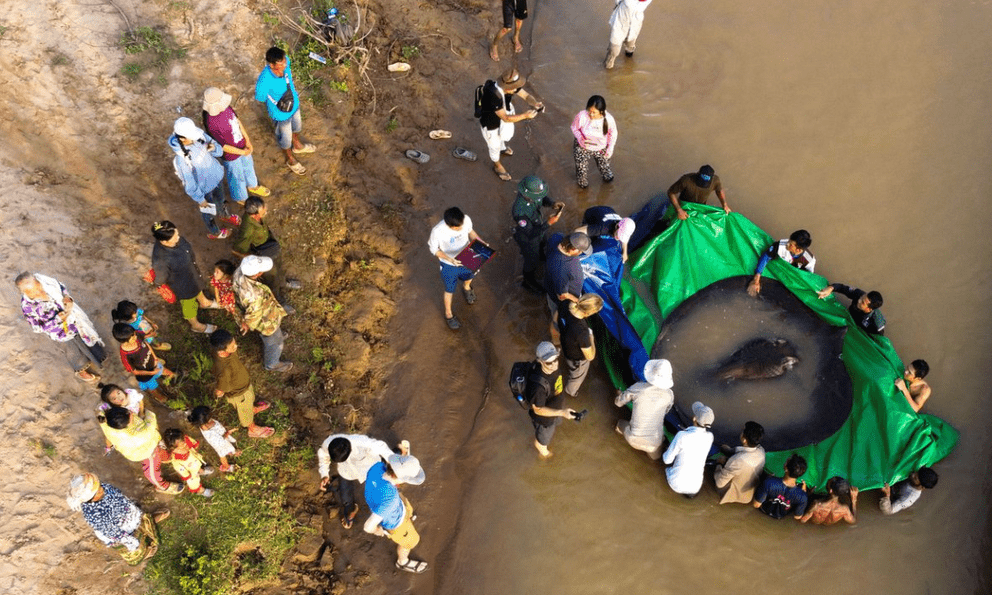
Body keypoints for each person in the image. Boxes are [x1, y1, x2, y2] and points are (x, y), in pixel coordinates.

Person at [15, 271, 107, 382]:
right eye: (33, 292)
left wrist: (67, 297)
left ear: (36, 280)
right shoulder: (27, 306)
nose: (39, 292)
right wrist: (57, 320)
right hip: (61, 333)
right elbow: (37, 328)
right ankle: (81, 372)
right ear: (25, 292)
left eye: (38, 287)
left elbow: (61, 286)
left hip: (75, 321)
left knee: (88, 340)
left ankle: (97, 357)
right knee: (74, 353)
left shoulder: (44, 280)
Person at [66, 473, 170, 565]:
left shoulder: (103, 488)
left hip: (126, 513)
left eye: (99, 485)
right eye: (98, 490)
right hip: (121, 528)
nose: (101, 488)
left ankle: (147, 523)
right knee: (136, 544)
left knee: (140, 521)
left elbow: (118, 495)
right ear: (90, 498)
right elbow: (113, 533)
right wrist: (130, 542)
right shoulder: (96, 515)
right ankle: (145, 552)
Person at [169, 117, 240, 240]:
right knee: (208, 212)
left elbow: (219, 151)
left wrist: (214, 148)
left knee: (221, 200)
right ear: (182, 138)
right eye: (191, 136)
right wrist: (201, 200)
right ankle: (215, 232)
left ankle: (224, 215)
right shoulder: (181, 160)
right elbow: (189, 183)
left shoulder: (199, 136)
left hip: (216, 178)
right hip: (204, 190)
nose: (195, 138)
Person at [317, 434, 410, 529]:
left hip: (371, 468)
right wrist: (324, 474)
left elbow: (380, 447)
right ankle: (351, 509)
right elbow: (323, 454)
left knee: (386, 473)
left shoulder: (361, 442)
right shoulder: (328, 444)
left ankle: (399, 452)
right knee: (345, 495)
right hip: (347, 472)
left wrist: (394, 466)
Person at [201, 86, 270, 204]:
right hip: (230, 155)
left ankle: (253, 186)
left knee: (248, 167)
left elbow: (237, 122)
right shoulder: (212, 123)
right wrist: (242, 152)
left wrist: (247, 141)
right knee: (236, 177)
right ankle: (241, 197)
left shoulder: (227, 108)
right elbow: (223, 146)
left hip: (242, 145)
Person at [149, 221, 219, 334]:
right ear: (164, 242)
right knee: (189, 305)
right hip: (182, 285)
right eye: (174, 237)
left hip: (191, 273)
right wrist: (158, 284)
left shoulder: (176, 240)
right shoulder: (161, 259)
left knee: (197, 285)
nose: (178, 237)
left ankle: (204, 302)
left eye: (177, 233)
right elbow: (161, 277)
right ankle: (195, 325)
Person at [255, 46, 316, 175]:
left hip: (294, 105)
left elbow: (286, 63)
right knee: (285, 139)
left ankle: (297, 145)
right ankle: (290, 159)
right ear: (271, 65)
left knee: (297, 127)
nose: (284, 66)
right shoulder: (264, 80)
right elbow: (260, 97)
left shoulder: (285, 60)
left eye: (284, 62)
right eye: (280, 65)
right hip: (280, 114)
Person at [232, 196, 300, 311]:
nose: (266, 209)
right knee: (272, 279)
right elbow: (236, 249)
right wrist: (253, 260)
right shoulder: (247, 230)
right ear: (254, 215)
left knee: (279, 266)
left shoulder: (257, 217)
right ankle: (279, 301)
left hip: (270, 245)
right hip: (262, 253)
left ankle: (283, 282)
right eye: (263, 209)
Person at [364, 457, 429, 574]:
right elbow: (368, 526)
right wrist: (377, 530)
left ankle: (408, 517)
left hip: (386, 504)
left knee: (407, 508)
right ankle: (402, 562)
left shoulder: (377, 467)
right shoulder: (390, 501)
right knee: (411, 541)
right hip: (396, 523)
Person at [427, 207, 489, 330]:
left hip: (468, 256)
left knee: (470, 275)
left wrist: (480, 242)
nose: (461, 228)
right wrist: (450, 259)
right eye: (458, 228)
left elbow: (471, 232)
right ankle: (448, 314)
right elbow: (434, 250)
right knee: (449, 289)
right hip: (449, 264)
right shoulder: (437, 231)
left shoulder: (466, 219)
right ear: (449, 225)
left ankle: (467, 288)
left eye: (461, 225)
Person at [209, 328, 276, 438]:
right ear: (221, 351)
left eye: (234, 342)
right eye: (232, 347)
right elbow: (222, 388)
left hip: (245, 387)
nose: (236, 346)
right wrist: (219, 392)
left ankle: (251, 409)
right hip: (239, 395)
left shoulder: (227, 352)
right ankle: (252, 429)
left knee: (250, 398)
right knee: (245, 413)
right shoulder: (224, 370)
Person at [477, 69, 541, 181]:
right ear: (507, 88)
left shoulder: (509, 86)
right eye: (515, 88)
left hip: (503, 114)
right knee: (494, 145)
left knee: (503, 136)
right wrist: (525, 116)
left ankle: (502, 148)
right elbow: (505, 118)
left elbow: (526, 96)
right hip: (491, 124)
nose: (517, 90)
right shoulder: (494, 95)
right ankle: (497, 166)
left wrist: (535, 103)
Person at [101, 406, 182, 494]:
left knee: (159, 451)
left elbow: (102, 418)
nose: (131, 413)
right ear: (128, 423)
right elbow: (151, 418)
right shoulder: (142, 433)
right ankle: (162, 486)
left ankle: (165, 457)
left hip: (142, 448)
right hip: (147, 452)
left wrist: (108, 447)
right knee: (151, 472)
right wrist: (145, 411)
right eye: (129, 414)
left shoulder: (108, 427)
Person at [232, 255, 293, 372]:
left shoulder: (239, 271)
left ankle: (277, 335)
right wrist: (247, 324)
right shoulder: (254, 296)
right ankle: (272, 364)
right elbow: (253, 317)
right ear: (257, 274)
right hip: (266, 320)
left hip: (259, 310)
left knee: (275, 333)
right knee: (275, 343)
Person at [511, 175, 564, 293]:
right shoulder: (519, 212)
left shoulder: (534, 195)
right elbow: (531, 233)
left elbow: (542, 198)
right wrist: (548, 223)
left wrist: (552, 203)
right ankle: (528, 281)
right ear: (527, 195)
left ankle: (541, 256)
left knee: (543, 243)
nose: (538, 198)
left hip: (538, 226)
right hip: (528, 237)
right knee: (531, 260)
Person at [614, 358, 674, 460]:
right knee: (654, 458)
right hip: (653, 444)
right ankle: (653, 458)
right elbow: (666, 411)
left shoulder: (638, 387)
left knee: (619, 423)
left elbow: (618, 403)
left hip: (633, 439)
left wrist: (618, 395)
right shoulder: (669, 395)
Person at [527, 341, 579, 458]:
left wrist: (561, 411)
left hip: (556, 406)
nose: (554, 364)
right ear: (540, 361)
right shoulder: (538, 387)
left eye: (555, 359)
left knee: (556, 424)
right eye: (549, 362)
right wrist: (562, 412)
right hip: (545, 420)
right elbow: (538, 410)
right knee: (542, 443)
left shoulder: (553, 368)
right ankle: (544, 455)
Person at [544, 232, 592, 340]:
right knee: (558, 318)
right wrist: (577, 301)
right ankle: (557, 335)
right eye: (580, 251)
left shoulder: (557, 237)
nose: (581, 253)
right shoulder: (561, 269)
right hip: (561, 300)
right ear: (573, 249)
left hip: (550, 281)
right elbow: (562, 295)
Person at [662, 401, 715, 497]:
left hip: (675, 484)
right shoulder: (710, 437)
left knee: (665, 456)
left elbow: (667, 460)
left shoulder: (682, 435)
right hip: (695, 487)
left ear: (694, 418)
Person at [112, 323, 174, 403]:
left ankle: (173, 376)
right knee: (153, 388)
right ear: (124, 341)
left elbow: (146, 343)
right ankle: (162, 399)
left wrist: (155, 357)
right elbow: (135, 372)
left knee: (166, 371)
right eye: (132, 337)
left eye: (134, 334)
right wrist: (151, 373)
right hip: (146, 376)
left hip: (154, 364)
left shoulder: (136, 335)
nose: (135, 337)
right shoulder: (125, 355)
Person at [747, 230, 816, 296]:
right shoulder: (781, 246)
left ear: (798, 250)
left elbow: (808, 277)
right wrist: (756, 280)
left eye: (791, 244)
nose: (787, 244)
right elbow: (766, 257)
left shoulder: (809, 261)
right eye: (789, 240)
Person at [560, 294, 604, 398]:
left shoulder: (566, 304)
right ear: (587, 313)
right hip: (577, 360)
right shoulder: (582, 332)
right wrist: (591, 338)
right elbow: (590, 356)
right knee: (576, 378)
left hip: (566, 347)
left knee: (569, 366)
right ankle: (570, 392)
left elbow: (555, 319)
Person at [570, 95, 618, 189]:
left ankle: (609, 187)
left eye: (594, 112)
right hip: (582, 147)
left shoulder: (609, 119)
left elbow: (613, 134)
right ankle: (583, 190)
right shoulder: (581, 115)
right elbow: (574, 127)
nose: (591, 114)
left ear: (601, 111)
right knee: (581, 173)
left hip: (601, 148)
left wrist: (610, 149)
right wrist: (580, 138)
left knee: (605, 170)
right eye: (589, 111)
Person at [713, 421, 766, 505]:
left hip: (736, 494)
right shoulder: (761, 451)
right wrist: (730, 451)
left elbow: (719, 483)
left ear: (744, 440)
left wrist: (719, 464)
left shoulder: (737, 460)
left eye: (742, 431)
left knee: (716, 474)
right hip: (749, 493)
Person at [752, 453, 809, 520]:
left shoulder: (769, 482)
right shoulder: (802, 496)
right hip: (779, 518)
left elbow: (756, 505)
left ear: (786, 468)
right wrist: (803, 492)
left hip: (762, 511)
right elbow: (797, 517)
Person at [816, 282, 885, 335]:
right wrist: (830, 288)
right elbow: (842, 288)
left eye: (863, 302)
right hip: (849, 316)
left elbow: (878, 338)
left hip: (859, 330)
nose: (859, 300)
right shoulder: (859, 294)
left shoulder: (877, 323)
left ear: (869, 309)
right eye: (862, 297)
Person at [163, 428, 215, 497]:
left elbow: (190, 440)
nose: (185, 444)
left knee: (197, 465)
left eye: (184, 441)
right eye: (182, 445)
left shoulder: (185, 440)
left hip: (194, 461)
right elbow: (180, 469)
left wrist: (194, 444)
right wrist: (187, 475)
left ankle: (200, 470)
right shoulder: (176, 459)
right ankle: (199, 490)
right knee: (194, 480)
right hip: (190, 472)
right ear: (173, 448)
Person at [667, 165, 732, 220]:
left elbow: (719, 190)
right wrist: (679, 210)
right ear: (697, 174)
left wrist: (724, 204)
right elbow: (671, 192)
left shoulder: (715, 181)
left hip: (700, 207)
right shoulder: (686, 180)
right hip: (684, 206)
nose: (702, 185)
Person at [189, 405, 240, 473]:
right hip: (219, 444)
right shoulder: (210, 434)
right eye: (209, 419)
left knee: (227, 449)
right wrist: (228, 432)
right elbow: (221, 440)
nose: (211, 419)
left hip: (221, 438)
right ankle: (226, 466)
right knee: (222, 455)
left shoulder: (204, 424)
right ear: (205, 423)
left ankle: (230, 453)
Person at [604, 0, 654, 69]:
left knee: (630, 45)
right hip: (620, 22)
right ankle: (608, 67)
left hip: (635, 24)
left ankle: (629, 62)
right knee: (614, 49)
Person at [210, 259, 248, 333]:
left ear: (226, 275)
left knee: (236, 311)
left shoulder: (231, 281)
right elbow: (216, 287)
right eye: (215, 271)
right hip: (225, 298)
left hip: (232, 298)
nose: (214, 274)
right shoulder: (217, 279)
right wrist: (217, 298)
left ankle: (243, 323)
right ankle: (242, 322)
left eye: (217, 272)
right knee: (233, 311)